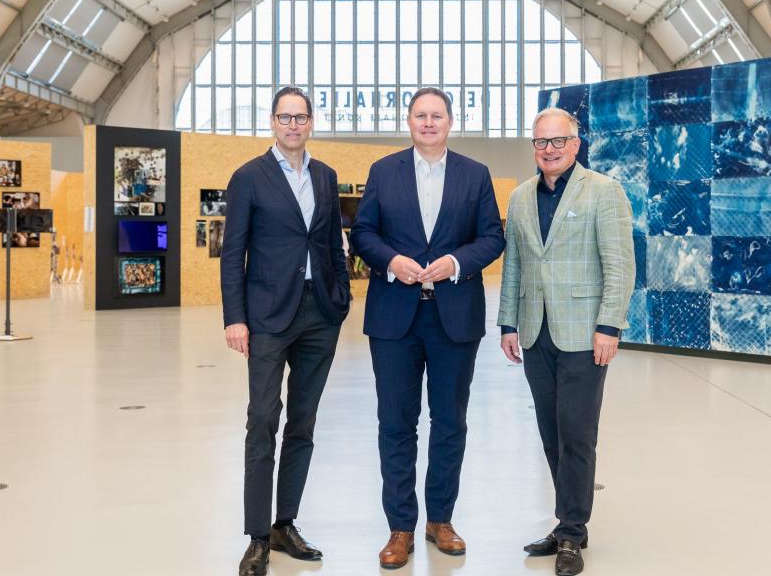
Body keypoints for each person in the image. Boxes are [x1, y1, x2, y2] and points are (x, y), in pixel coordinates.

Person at [351, 87, 505, 570]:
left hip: (453, 318)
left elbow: (492, 237)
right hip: (394, 318)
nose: (429, 122)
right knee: (396, 424)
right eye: (420, 115)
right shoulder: (383, 171)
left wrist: (457, 262)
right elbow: (363, 234)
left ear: (450, 121)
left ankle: (441, 520)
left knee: (449, 422)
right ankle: (400, 527)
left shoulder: (474, 175)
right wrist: (392, 260)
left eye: (437, 115)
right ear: (410, 122)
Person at [497, 107, 634, 576]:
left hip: (583, 334)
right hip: (535, 333)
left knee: (577, 434)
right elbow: (515, 263)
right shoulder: (519, 197)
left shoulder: (604, 192)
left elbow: (619, 264)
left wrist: (610, 326)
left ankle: (572, 532)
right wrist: (508, 324)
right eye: (541, 142)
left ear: (576, 144)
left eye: (558, 141)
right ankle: (567, 520)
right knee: (551, 433)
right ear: (533, 147)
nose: (549, 150)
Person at [221, 86, 351, 576]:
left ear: (311, 122)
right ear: (272, 122)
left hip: (320, 314)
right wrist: (235, 317)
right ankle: (257, 535)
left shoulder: (325, 175)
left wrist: (340, 298)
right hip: (268, 317)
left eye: (301, 117)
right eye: (284, 117)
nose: (293, 125)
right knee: (262, 419)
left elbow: (330, 243)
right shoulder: (249, 177)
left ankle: (285, 523)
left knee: (303, 422)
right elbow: (233, 252)